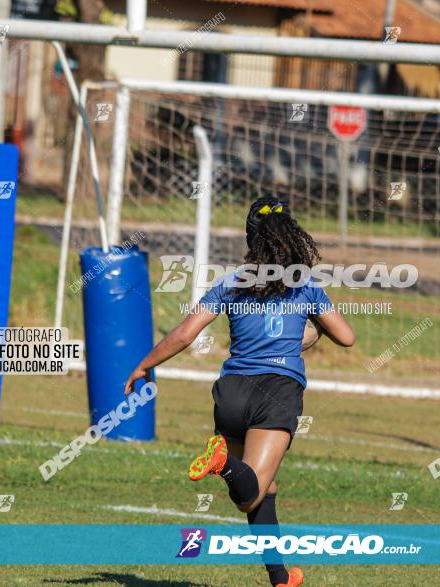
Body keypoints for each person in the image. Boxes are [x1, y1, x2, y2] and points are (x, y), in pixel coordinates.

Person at [124, 197, 355, 587]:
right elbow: (347, 337)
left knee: (265, 486)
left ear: (252, 238)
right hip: (277, 393)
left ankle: (280, 577)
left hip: (230, 394)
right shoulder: (306, 286)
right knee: (247, 494)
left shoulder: (230, 283)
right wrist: (306, 335)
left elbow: (184, 334)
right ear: (292, 237)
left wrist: (145, 365)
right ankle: (222, 462)